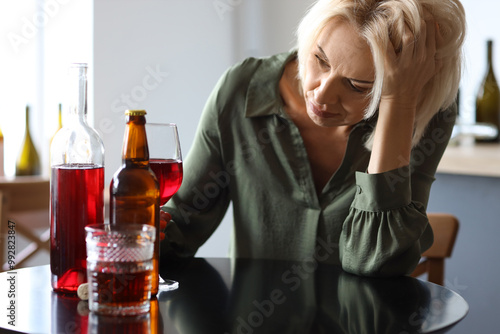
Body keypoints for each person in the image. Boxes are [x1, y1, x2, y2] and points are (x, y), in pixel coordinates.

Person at [159, 0, 466, 277]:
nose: (321, 94)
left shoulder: (425, 114)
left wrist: (398, 105)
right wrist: (133, 229)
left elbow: (380, 264)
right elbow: (180, 228)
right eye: (320, 60)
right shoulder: (241, 89)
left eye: (357, 86)